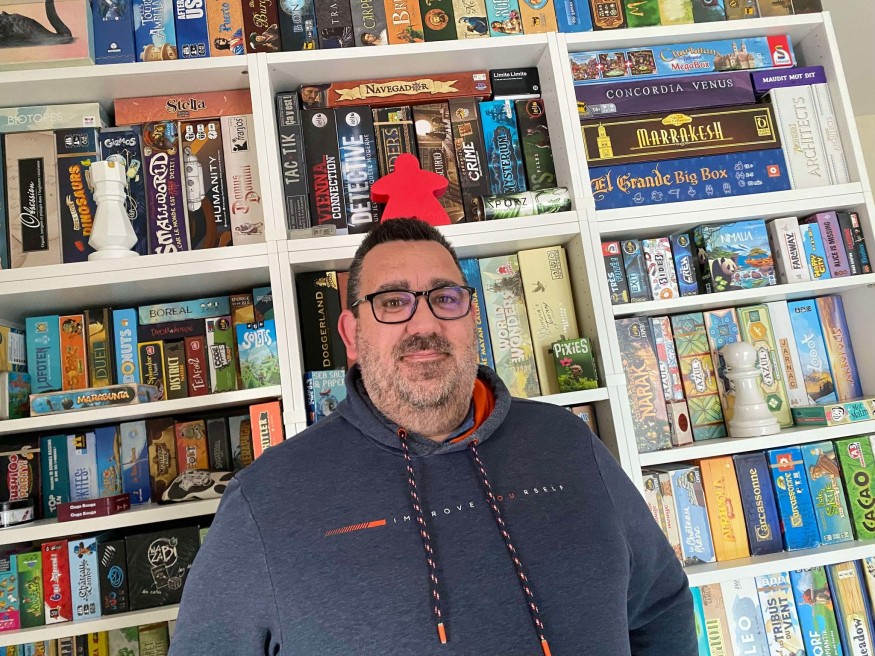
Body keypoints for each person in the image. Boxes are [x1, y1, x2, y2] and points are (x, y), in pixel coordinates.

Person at [170, 218, 696, 655]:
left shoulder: (568, 442)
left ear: (472, 319)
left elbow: (660, 605)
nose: (424, 324)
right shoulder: (264, 501)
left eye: (445, 298)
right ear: (352, 335)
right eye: (392, 302)